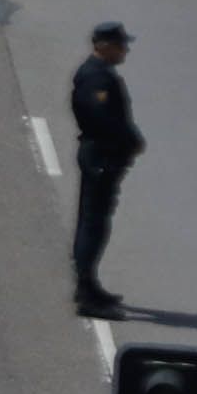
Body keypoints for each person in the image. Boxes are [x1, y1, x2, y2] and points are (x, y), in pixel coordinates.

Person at [69, 21, 142, 319]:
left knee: (96, 220)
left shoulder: (102, 74)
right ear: (104, 46)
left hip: (103, 155)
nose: (125, 50)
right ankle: (86, 294)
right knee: (93, 223)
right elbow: (101, 120)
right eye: (121, 45)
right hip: (100, 157)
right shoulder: (96, 78)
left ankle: (89, 283)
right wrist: (126, 141)